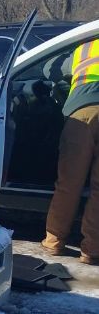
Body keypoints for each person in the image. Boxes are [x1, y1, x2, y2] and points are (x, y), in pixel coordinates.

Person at [41, 39, 99, 265]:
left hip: (81, 114)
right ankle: (92, 251)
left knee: (69, 184)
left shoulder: (83, 47)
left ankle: (54, 242)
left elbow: (48, 69)